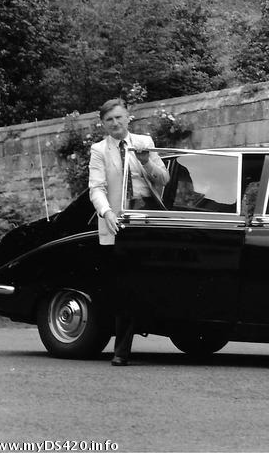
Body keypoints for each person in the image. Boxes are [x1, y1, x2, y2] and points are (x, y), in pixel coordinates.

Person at [88, 97, 169, 366]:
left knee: (148, 282)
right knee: (123, 287)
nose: (115, 123)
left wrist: (146, 162)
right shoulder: (99, 150)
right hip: (119, 221)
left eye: (119, 118)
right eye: (109, 120)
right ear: (103, 124)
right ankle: (121, 351)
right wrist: (107, 213)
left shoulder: (144, 142)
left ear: (128, 117)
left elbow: (164, 179)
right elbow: (96, 188)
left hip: (147, 218)